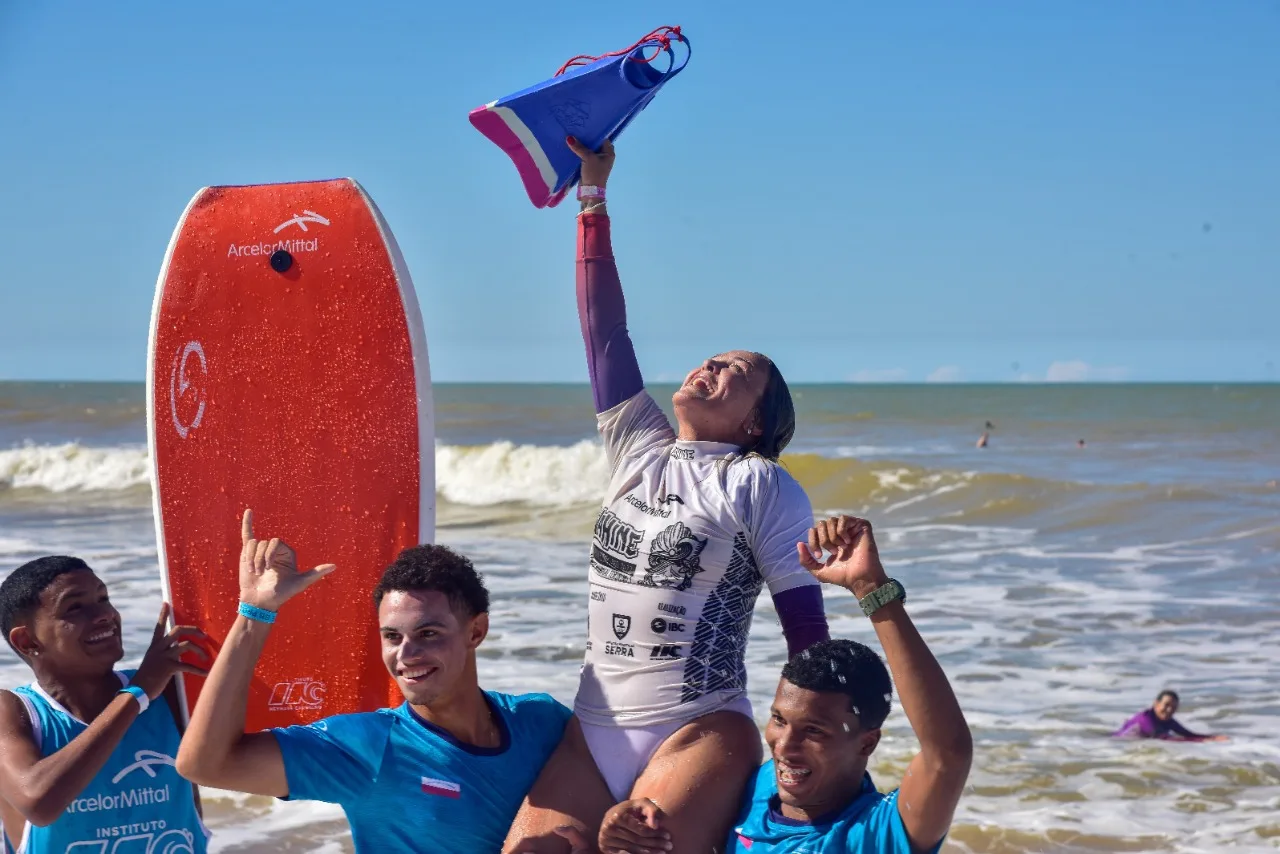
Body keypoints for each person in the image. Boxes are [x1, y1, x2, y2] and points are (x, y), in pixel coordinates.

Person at [502, 138, 830, 854]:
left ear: (754, 422)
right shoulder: (637, 445)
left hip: (701, 726)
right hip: (595, 728)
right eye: (711, 357)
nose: (710, 364)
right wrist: (592, 197)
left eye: (735, 371)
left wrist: (814, 753)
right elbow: (605, 334)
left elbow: (806, 632)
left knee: (639, 850)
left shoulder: (759, 484)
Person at [175, 510, 572, 853]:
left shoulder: (542, 721)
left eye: (429, 634)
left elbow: (617, 785)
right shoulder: (369, 748)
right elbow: (205, 764)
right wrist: (255, 612)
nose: (406, 654)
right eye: (392, 637)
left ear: (476, 632)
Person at [592, 515, 972, 854]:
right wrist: (621, 830)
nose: (784, 746)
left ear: (866, 743)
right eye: (779, 720)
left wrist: (872, 589)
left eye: (813, 731)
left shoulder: (875, 833)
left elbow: (948, 754)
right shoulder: (753, 790)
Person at [0, 556, 211, 854]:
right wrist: (138, 694)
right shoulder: (17, 712)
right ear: (26, 641)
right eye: (75, 607)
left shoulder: (169, 694)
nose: (104, 614)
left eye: (104, 598)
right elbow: (39, 802)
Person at [1113, 690, 1227, 742]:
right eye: (1166, 705)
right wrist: (1205, 741)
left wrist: (1213, 737)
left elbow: (1188, 734)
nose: (1169, 710)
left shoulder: (1167, 720)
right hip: (1119, 745)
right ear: (1156, 704)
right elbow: (1165, 739)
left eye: (1173, 707)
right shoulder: (1146, 719)